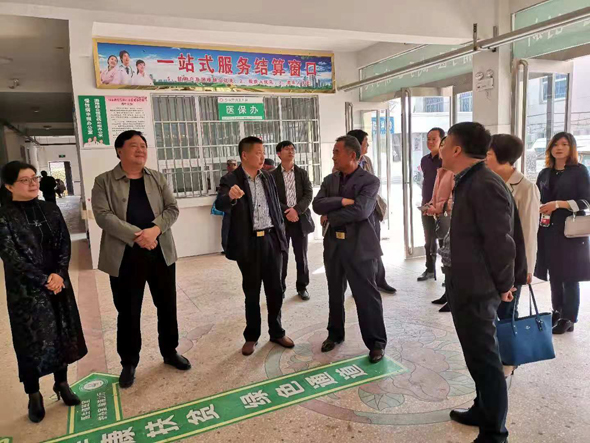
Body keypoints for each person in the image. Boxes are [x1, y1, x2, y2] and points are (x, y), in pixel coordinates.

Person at [441, 122, 526, 443]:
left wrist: (505, 285)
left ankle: (494, 433)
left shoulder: (485, 184)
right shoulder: (469, 180)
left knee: (487, 361)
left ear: (457, 149)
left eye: (445, 143)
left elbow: (501, 243)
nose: (441, 149)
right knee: (476, 356)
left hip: (478, 288)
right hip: (463, 281)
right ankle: (482, 409)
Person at [92, 130, 190, 389]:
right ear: (119, 151)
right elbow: (103, 216)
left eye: (143, 146)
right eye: (134, 145)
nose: (140, 150)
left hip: (160, 252)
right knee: (128, 310)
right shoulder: (104, 181)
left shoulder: (157, 178)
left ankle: (170, 351)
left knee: (167, 305)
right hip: (124, 257)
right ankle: (129, 362)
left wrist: (154, 230)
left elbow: (172, 209)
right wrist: (139, 236)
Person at [0, 161, 87, 423]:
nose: (32, 183)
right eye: (24, 180)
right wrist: (43, 279)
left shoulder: (50, 208)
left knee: (62, 333)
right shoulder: (4, 215)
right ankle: (33, 394)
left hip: (58, 283)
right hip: (26, 290)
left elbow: (64, 243)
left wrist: (59, 274)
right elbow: (11, 256)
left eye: (34, 178)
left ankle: (61, 383)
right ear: (9, 186)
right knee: (31, 341)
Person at [215, 136, 295, 356]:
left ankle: (277, 332)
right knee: (252, 292)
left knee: (275, 289)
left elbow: (274, 206)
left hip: (271, 239)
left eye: (263, 152)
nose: (262, 157)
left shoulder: (267, 177)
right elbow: (220, 203)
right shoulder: (231, 179)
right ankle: (251, 336)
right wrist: (230, 197)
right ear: (244, 155)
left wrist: (281, 235)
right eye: (258, 152)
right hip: (248, 242)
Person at [312, 135, 387, 363]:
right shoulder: (330, 180)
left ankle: (376, 343)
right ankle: (335, 334)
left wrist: (331, 215)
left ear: (352, 155)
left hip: (360, 246)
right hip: (333, 245)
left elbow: (362, 211)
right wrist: (343, 202)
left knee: (366, 295)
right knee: (335, 292)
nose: (333, 156)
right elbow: (317, 205)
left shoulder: (369, 181)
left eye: (336, 151)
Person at [534, 132, 590, 335]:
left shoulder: (579, 171)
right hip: (548, 229)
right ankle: (557, 311)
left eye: (564, 144)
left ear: (571, 148)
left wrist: (558, 204)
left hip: (570, 231)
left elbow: (586, 201)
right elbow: (536, 197)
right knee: (554, 273)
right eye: (555, 144)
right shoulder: (545, 173)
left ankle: (569, 317)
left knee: (570, 274)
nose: (559, 148)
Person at [486, 134, 541, 322]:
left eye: (489, 154)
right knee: (491, 314)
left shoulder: (526, 188)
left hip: (513, 264)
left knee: (507, 314)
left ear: (504, 157)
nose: (484, 158)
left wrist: (528, 267)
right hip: (491, 261)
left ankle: (508, 342)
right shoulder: (488, 183)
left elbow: (529, 231)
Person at [347, 129, 396, 294]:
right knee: (360, 250)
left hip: (372, 211)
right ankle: (360, 285)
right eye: (366, 142)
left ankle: (380, 280)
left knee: (375, 247)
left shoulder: (367, 160)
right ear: (357, 144)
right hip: (357, 213)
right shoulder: (344, 164)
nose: (368, 145)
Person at [271, 141, 315, 300]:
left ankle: (302, 287)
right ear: (278, 154)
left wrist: (296, 210)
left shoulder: (302, 173)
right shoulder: (272, 176)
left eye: (292, 149)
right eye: (286, 149)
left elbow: (308, 194)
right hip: (282, 221)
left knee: (301, 256)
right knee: (282, 256)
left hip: (300, 219)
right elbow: (272, 197)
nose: (291, 151)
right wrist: (287, 211)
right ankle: (280, 287)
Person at [427, 137, 455, 312]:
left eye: (444, 145)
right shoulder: (442, 170)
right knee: (445, 258)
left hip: (449, 218)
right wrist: (430, 205)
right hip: (439, 216)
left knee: (450, 260)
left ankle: (452, 297)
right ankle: (447, 294)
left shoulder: (453, 172)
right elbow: (436, 194)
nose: (441, 149)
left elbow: (452, 199)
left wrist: (436, 208)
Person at [418, 127, 445, 282]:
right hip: (426, 205)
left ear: (442, 140)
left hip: (442, 207)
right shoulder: (424, 160)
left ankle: (448, 275)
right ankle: (429, 270)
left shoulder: (446, 161)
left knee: (444, 241)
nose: (430, 142)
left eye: (434, 139)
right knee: (429, 240)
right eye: (428, 139)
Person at [220, 159, 238, 253]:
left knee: (228, 229)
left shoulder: (238, 177)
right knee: (227, 229)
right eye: (232, 165)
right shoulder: (226, 178)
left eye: (234, 164)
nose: (233, 167)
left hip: (234, 208)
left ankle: (228, 248)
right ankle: (227, 248)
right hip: (230, 208)